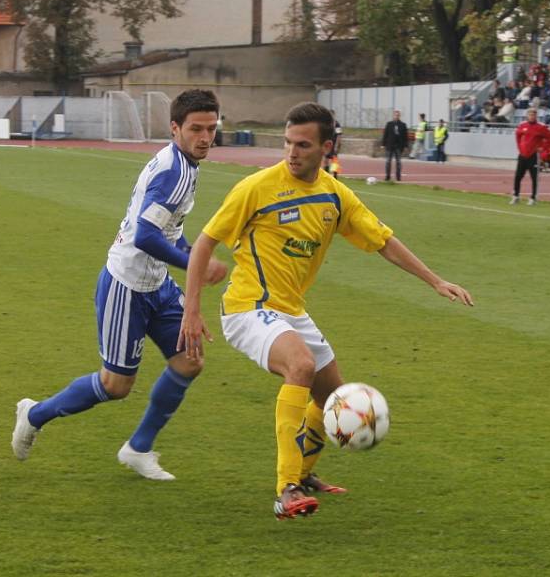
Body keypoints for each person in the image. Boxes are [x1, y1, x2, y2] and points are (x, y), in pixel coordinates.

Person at [177, 102, 474, 520]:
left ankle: (305, 472)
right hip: (248, 308)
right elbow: (205, 243)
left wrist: (435, 280)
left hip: (290, 311)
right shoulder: (256, 188)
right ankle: (286, 489)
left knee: (331, 395)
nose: (291, 153)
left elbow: (383, 240)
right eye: (287, 143)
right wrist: (192, 309)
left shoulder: (334, 195)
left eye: (302, 144)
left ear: (326, 148)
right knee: (300, 365)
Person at [11, 90, 228, 480]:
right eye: (196, 129)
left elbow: (169, 230)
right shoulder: (174, 171)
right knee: (115, 385)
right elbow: (146, 235)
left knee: (189, 361)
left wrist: (192, 253)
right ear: (175, 128)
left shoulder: (186, 165)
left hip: (157, 285)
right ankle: (35, 413)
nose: (205, 137)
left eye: (211, 129)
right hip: (125, 286)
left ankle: (138, 448)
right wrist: (196, 263)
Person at [511, 108, 550, 206]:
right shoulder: (522, 126)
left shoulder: (540, 127)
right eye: (530, 115)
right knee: (518, 176)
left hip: (533, 156)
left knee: (534, 178)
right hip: (522, 155)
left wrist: (543, 149)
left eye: (534, 115)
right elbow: (517, 136)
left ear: (536, 116)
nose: (532, 116)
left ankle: (533, 198)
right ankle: (515, 196)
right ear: (527, 116)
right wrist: (520, 148)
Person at [381, 109, 408, 181]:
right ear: (393, 116)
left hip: (398, 146)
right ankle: (387, 176)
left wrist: (405, 145)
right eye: (395, 115)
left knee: (398, 162)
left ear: (399, 116)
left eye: (398, 115)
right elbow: (385, 134)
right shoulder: (389, 124)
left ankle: (398, 177)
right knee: (388, 161)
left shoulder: (403, 125)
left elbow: (405, 136)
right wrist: (383, 144)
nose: (397, 116)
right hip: (390, 145)